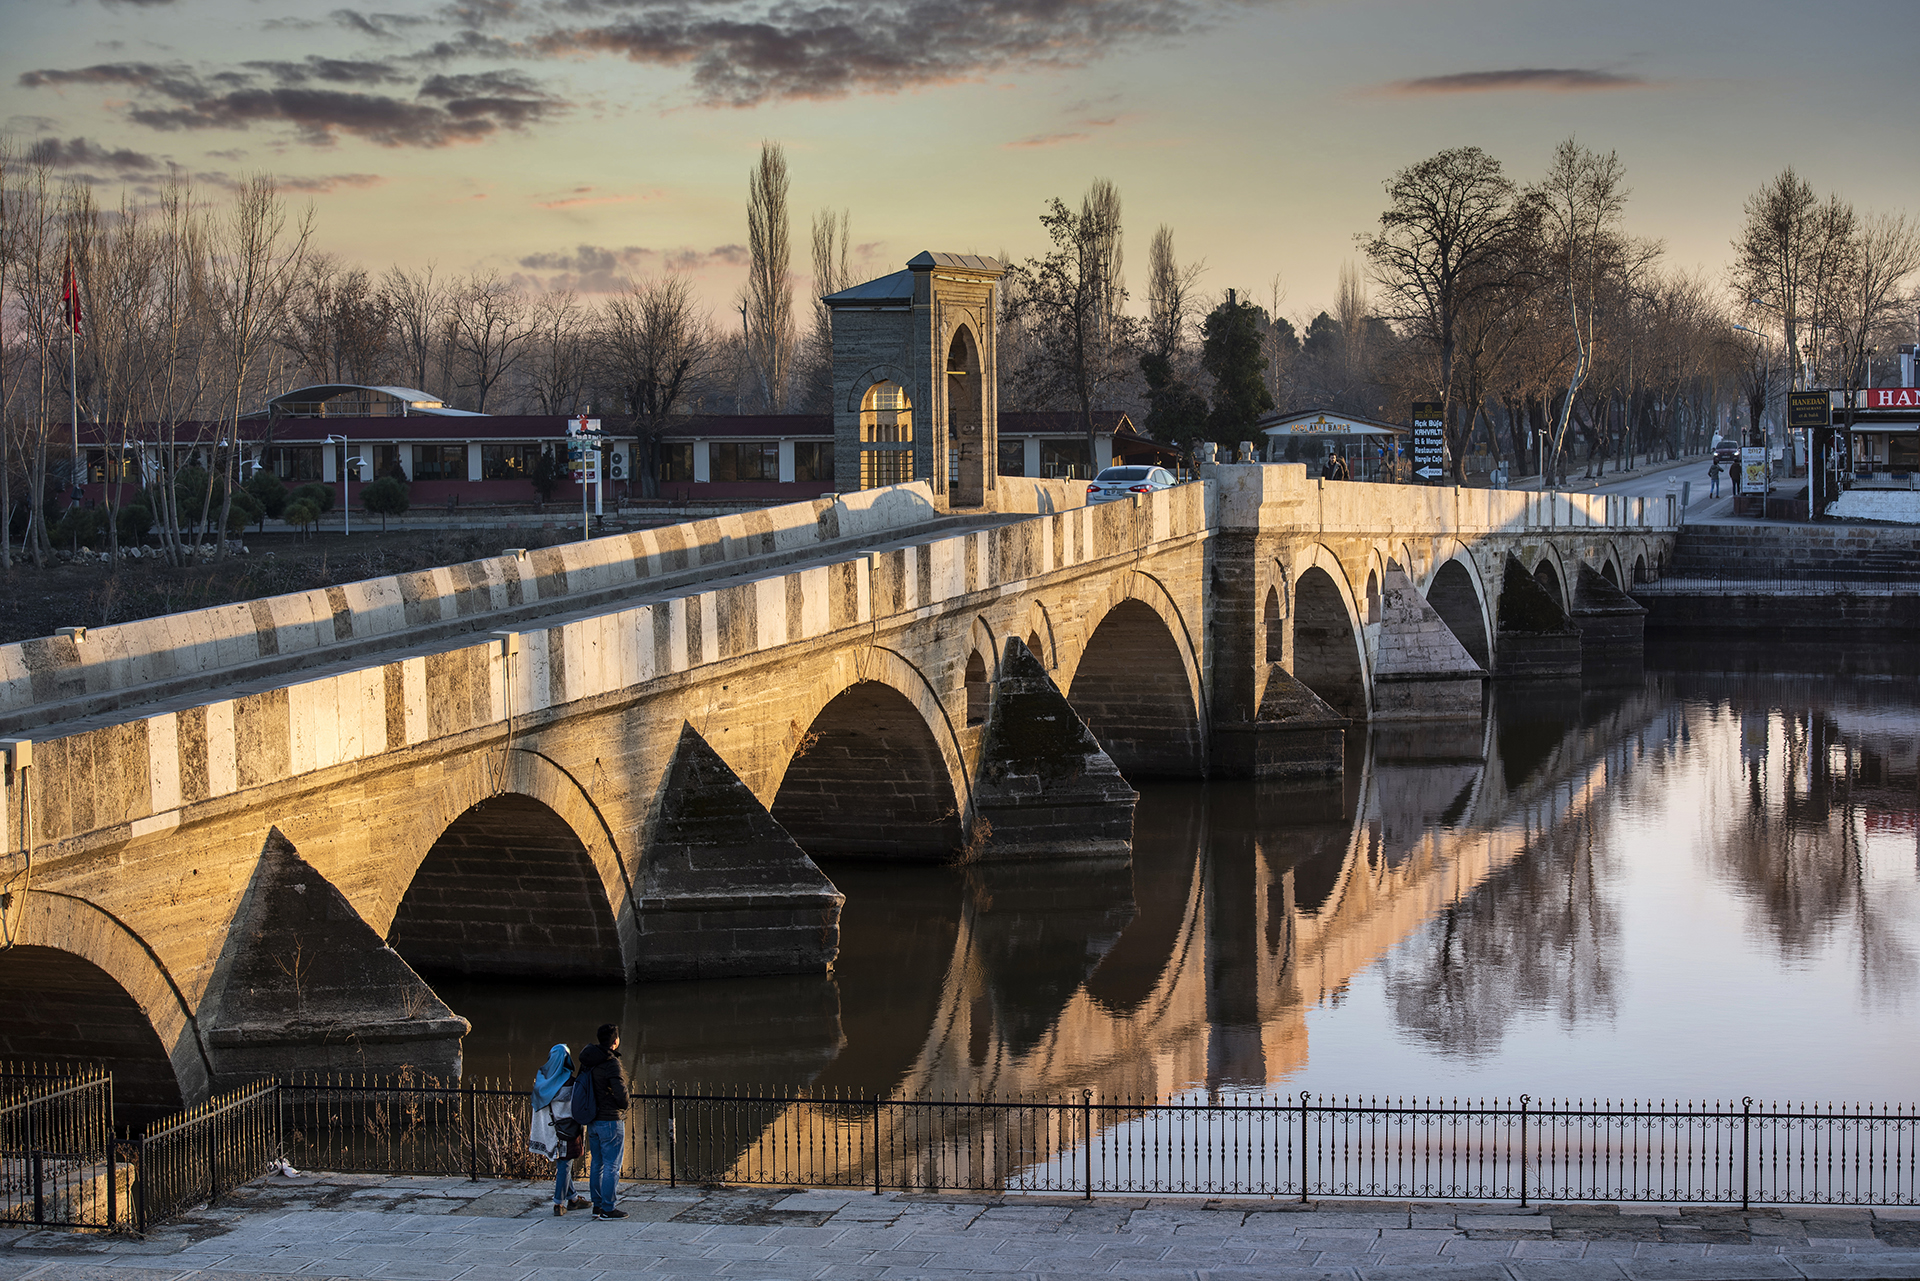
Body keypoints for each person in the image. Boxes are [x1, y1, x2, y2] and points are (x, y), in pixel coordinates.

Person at [529, 1044, 589, 1216]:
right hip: (567, 1131)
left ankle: (574, 1199)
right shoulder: (570, 1082)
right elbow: (576, 1108)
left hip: (550, 1129)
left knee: (564, 1165)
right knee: (565, 1166)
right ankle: (559, 1203)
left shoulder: (541, 1080)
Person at [578, 1023, 629, 1220]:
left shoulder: (588, 1060)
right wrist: (623, 1104)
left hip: (592, 1119)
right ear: (615, 1041)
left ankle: (597, 1205)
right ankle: (608, 1208)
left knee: (597, 1163)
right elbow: (621, 1094)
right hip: (609, 1120)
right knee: (611, 1166)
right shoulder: (611, 1062)